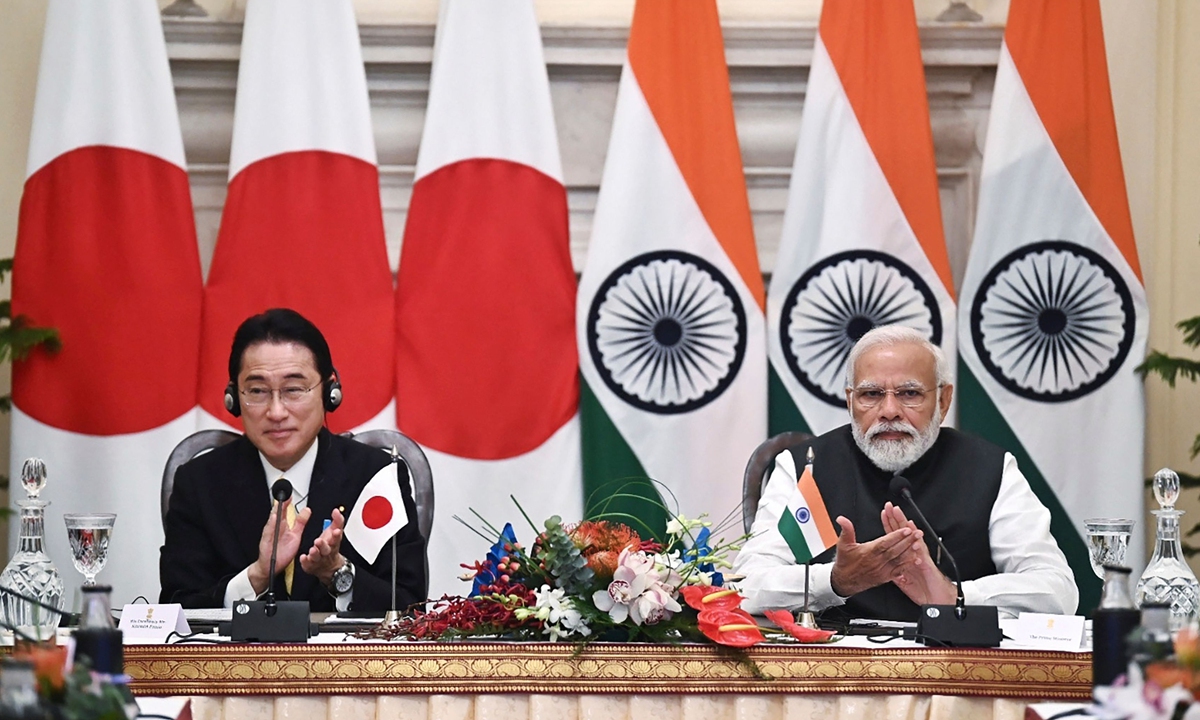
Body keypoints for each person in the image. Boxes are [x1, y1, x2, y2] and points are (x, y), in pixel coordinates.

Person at [734, 325, 1078, 621]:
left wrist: (952, 594)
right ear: (850, 401)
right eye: (871, 394)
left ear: (943, 402)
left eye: (909, 394)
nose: (889, 411)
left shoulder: (989, 468)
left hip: (951, 673)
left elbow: (1058, 590)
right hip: (835, 674)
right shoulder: (805, 466)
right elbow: (746, 587)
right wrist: (837, 581)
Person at [159, 308, 426, 611]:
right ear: (233, 398)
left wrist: (337, 573)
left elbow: (409, 606)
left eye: (294, 390)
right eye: (257, 391)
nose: (276, 412)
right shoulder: (200, 483)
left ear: (329, 391)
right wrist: (256, 576)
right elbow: (176, 606)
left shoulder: (375, 477)